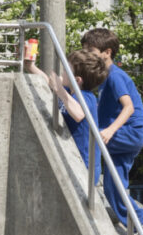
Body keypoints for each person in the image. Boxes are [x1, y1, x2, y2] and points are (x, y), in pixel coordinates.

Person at [82, 28, 143, 234]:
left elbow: (129, 107)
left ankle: (138, 219)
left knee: (87, 136)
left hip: (129, 131)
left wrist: (110, 131)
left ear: (107, 52)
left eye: (91, 50)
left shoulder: (114, 76)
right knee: (113, 185)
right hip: (129, 132)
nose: (87, 53)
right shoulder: (104, 77)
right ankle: (141, 226)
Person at [29, 48, 107, 178]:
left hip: (85, 165)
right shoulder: (68, 91)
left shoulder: (86, 97)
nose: (62, 73)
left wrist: (59, 90)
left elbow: (79, 114)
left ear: (77, 80)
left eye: (66, 70)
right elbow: (49, 82)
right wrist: (30, 66)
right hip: (73, 160)